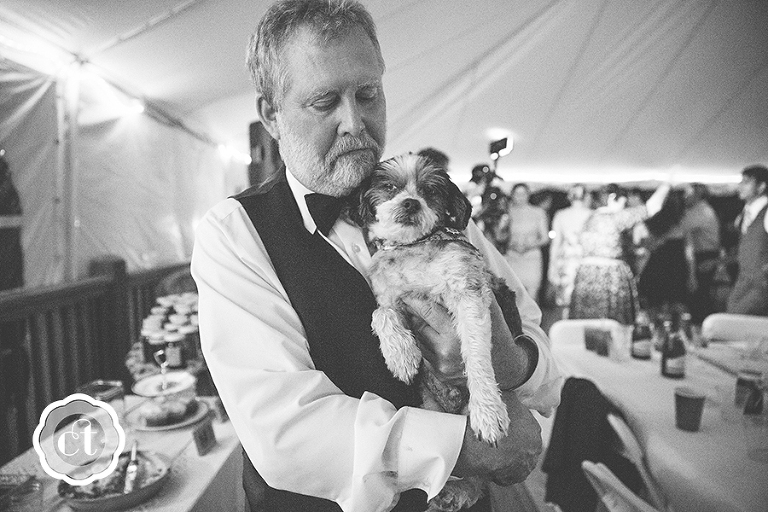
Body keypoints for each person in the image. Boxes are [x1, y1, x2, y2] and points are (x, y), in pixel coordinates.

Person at [190, 2, 563, 512]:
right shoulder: (232, 235)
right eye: (325, 102)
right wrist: (465, 449)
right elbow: (285, 431)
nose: (355, 123)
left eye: (368, 94)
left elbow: (537, 338)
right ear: (271, 115)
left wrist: (514, 363)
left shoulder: (431, 204)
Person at [569, 182, 670, 325]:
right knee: (613, 323)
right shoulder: (616, 217)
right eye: (622, 202)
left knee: (587, 323)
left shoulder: (589, 219)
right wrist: (666, 185)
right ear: (612, 198)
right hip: (610, 275)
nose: (624, 207)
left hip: (585, 275)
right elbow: (652, 207)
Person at [637, 188, 694, 318]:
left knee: (654, 307)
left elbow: (646, 248)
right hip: (676, 269)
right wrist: (692, 275)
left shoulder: (654, 224)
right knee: (677, 307)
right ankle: (677, 334)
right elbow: (689, 253)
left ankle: (658, 334)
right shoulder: (684, 224)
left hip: (657, 268)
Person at [727, 164, 768, 315]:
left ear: (761, 186)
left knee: (738, 315)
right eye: (741, 181)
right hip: (743, 280)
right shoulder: (743, 215)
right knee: (732, 312)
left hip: (761, 284)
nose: (740, 186)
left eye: (746, 182)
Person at [678, 183, 722, 323]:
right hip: (703, 254)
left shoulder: (701, 211)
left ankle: (702, 326)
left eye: (687, 193)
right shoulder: (699, 210)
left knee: (698, 294)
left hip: (705, 255)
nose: (684, 196)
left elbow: (680, 227)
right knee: (699, 295)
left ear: (697, 195)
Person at [547, 184, 592, 316]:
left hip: (566, 262)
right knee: (585, 303)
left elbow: (556, 244)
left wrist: (552, 268)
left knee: (566, 303)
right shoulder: (592, 214)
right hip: (585, 261)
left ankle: (565, 332)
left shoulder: (561, 215)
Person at [501, 183, 550, 302]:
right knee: (513, 295)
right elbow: (500, 236)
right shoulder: (507, 213)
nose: (520, 197)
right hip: (512, 257)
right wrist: (510, 244)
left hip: (531, 258)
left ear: (528, 195)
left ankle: (530, 320)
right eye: (517, 194)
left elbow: (545, 238)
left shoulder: (538, 213)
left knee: (531, 295)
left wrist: (530, 245)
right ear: (512, 195)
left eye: (523, 193)